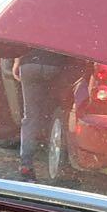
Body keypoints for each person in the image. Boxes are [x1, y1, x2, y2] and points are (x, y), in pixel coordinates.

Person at [14, 49, 70, 181]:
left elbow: (20, 43)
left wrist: (17, 62)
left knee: (31, 117)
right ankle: (51, 154)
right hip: (54, 65)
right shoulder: (62, 26)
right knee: (52, 112)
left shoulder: (29, 26)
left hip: (29, 64)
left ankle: (26, 165)